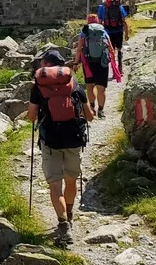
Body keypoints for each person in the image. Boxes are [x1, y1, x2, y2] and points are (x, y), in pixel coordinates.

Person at [29, 50, 94, 245]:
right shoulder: (74, 84)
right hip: (73, 140)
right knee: (71, 181)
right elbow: (89, 116)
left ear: (46, 65)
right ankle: (70, 214)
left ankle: (63, 226)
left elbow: (31, 116)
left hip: (50, 141)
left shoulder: (38, 86)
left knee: (55, 185)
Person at [74, 15, 116, 118]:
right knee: (101, 88)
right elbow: (111, 49)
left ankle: (92, 107)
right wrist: (113, 62)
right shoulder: (103, 31)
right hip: (102, 63)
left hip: (88, 63)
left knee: (90, 86)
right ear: (98, 21)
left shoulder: (84, 32)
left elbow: (79, 49)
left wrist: (76, 63)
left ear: (88, 22)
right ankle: (101, 111)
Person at [97, 0, 129, 73]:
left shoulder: (102, 8)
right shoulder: (119, 7)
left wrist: (100, 34)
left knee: (111, 51)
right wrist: (126, 33)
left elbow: (100, 22)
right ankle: (120, 68)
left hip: (108, 32)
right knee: (119, 49)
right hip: (119, 31)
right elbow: (124, 21)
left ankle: (114, 70)